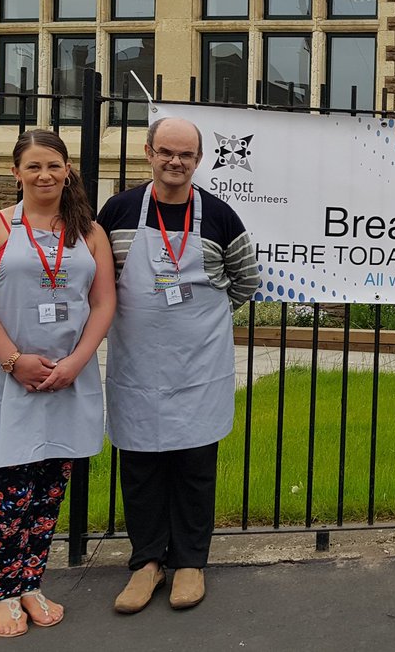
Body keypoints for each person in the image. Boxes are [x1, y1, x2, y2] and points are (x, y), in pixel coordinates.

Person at [98, 116, 260, 613]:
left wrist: (200, 320)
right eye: (166, 151)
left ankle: (190, 562)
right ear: (148, 152)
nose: (175, 162)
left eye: (185, 154)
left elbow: (246, 281)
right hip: (138, 365)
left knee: (194, 464)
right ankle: (147, 563)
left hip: (198, 366)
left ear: (199, 160)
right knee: (141, 464)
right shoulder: (119, 211)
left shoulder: (220, 216)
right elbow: (101, 280)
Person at [0, 130, 115, 637]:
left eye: (54, 165)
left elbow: (104, 302)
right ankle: (4, 593)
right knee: (8, 492)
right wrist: (13, 361)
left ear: (68, 170)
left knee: (48, 492)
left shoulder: (88, 231)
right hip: (6, 380)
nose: (45, 175)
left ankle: (32, 583)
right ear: (16, 173)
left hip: (67, 379)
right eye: (34, 167)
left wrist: (77, 361)